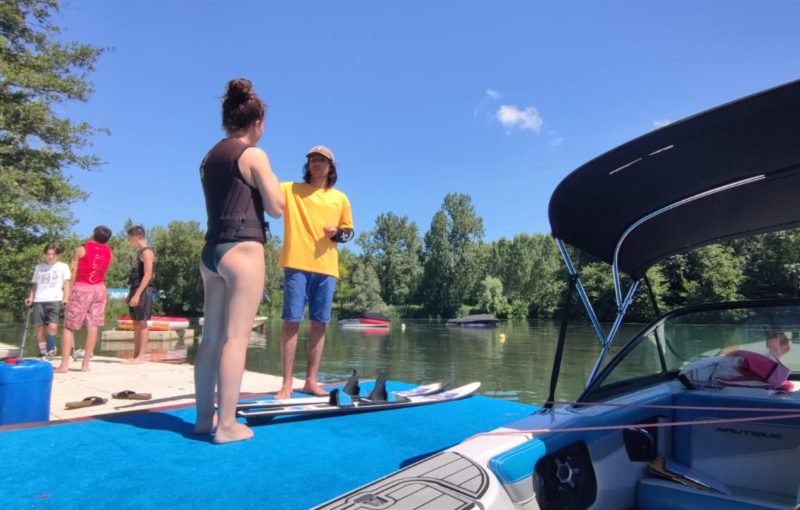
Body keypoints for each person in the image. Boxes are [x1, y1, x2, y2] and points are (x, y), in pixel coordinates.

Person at [195, 78, 284, 444]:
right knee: (236, 338)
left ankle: (203, 420)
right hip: (243, 249)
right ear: (257, 122)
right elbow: (276, 207)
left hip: (211, 252)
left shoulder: (210, 156)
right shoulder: (253, 154)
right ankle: (227, 425)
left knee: (210, 337)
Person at [276, 145, 354, 400]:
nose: (316, 163)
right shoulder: (290, 189)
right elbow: (264, 190)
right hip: (296, 263)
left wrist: (338, 233)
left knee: (319, 324)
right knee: (292, 322)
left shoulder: (340, 198)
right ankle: (287, 383)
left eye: (322, 160)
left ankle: (311, 381)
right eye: (312, 160)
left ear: (330, 167)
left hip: (326, 268)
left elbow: (349, 232)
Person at [54, 225, 113, 373]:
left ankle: (64, 365)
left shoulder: (81, 249)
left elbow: (74, 271)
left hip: (82, 287)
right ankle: (85, 365)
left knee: (69, 326)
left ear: (93, 233)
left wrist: (67, 293)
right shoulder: (108, 252)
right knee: (92, 325)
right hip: (99, 288)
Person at [25, 243, 72, 359]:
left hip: (54, 299)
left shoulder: (62, 266)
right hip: (39, 299)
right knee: (39, 326)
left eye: (53, 254)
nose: (50, 256)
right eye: (48, 254)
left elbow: (66, 284)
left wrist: (66, 297)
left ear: (58, 255)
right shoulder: (39, 267)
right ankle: (42, 352)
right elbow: (34, 284)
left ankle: (51, 345)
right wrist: (31, 297)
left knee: (52, 327)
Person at [124, 225, 155, 364]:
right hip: (135, 288)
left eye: (130, 238)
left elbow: (148, 275)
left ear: (136, 237)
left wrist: (138, 294)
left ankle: (141, 356)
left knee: (142, 323)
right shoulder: (140, 252)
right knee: (136, 323)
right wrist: (131, 294)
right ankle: (135, 355)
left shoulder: (147, 252)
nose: (129, 241)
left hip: (143, 291)